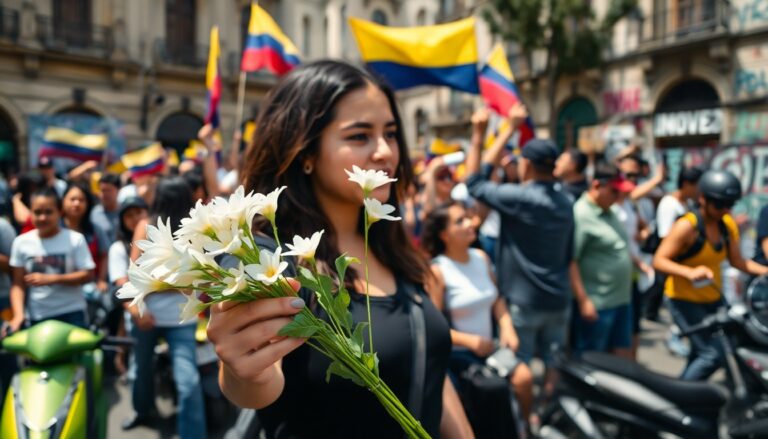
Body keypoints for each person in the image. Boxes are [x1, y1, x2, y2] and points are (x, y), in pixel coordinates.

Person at [207, 60, 471, 438]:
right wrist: (244, 368)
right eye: (359, 136)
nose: (385, 152)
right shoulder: (272, 258)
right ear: (305, 153)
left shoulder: (391, 245)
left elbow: (431, 371)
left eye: (391, 133)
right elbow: (256, 383)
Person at [465, 106, 574, 397]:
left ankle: (525, 417)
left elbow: (474, 183)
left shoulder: (521, 198)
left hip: (524, 301)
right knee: (554, 363)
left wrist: (489, 133)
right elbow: (569, 254)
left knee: (518, 367)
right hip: (559, 297)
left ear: (526, 165)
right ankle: (549, 409)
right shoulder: (566, 202)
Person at [423, 201, 534, 428]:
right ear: (444, 235)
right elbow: (434, 327)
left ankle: (525, 426)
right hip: (460, 356)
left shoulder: (481, 258)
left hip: (490, 348)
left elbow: (497, 299)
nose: (470, 223)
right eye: (459, 221)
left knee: (524, 378)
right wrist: (470, 342)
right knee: (492, 391)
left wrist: (507, 326)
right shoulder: (438, 271)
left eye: (468, 217)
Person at [653, 170, 768, 380]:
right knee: (711, 355)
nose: (725, 210)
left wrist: (765, 271)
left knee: (710, 349)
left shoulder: (726, 224)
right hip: (684, 300)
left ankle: (687, 389)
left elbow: (738, 262)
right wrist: (689, 272)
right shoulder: (687, 226)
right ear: (703, 199)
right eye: (719, 205)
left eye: (730, 205)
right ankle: (681, 395)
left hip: (713, 299)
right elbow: (659, 260)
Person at [121, 177, 207, 438]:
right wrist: (174, 283)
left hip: (181, 317)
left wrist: (161, 282)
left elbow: (197, 281)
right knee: (141, 371)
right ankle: (142, 411)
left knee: (185, 379)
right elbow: (135, 274)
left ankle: (192, 433)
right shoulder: (146, 226)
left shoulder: (192, 231)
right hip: (148, 314)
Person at [570, 162, 635, 357]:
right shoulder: (581, 215)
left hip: (620, 300)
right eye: (614, 191)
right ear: (597, 185)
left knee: (619, 357)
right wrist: (583, 301)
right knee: (592, 360)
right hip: (598, 303)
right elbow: (571, 261)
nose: (618, 197)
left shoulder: (609, 211)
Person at [8, 188, 95, 332]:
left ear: (59, 212)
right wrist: (18, 315)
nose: (43, 218)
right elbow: (18, 284)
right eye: (37, 212)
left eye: (48, 212)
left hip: (72, 313)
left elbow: (88, 274)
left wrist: (52, 279)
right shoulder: (21, 242)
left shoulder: (75, 239)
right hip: (37, 315)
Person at [108, 196, 149, 376]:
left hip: (168, 313)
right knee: (139, 370)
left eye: (138, 212)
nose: (135, 219)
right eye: (129, 215)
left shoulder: (160, 241)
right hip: (138, 314)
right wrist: (137, 313)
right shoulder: (118, 248)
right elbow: (122, 286)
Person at [61, 182, 110, 293]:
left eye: (81, 200)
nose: (76, 203)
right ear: (63, 201)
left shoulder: (95, 230)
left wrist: (101, 280)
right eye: (72, 199)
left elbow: (104, 255)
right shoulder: (55, 229)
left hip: (91, 287)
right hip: (61, 287)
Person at [91, 172, 121, 242]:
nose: (105, 194)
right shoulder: (94, 213)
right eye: (102, 190)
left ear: (118, 190)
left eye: (108, 190)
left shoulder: (126, 213)